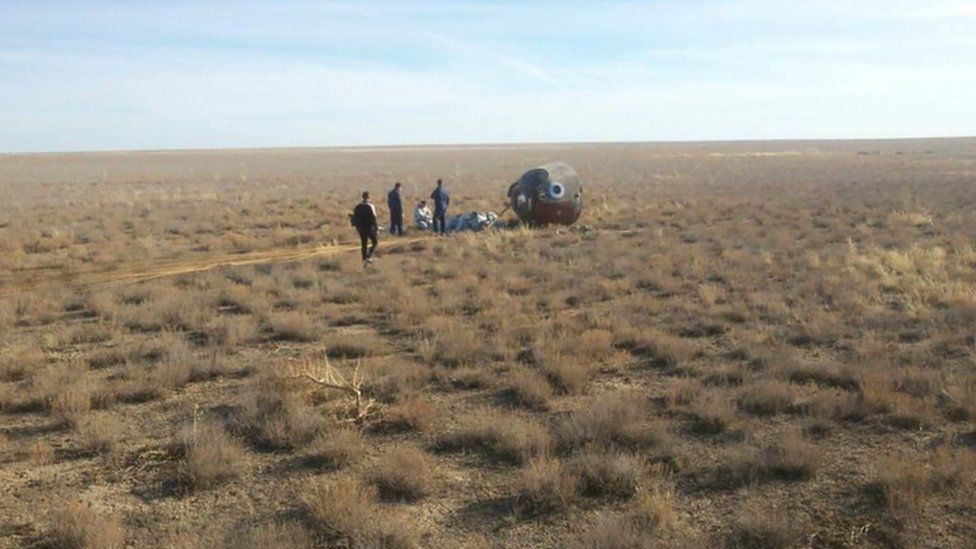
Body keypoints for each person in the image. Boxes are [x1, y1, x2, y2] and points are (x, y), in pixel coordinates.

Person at [350, 191, 378, 265]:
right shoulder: (371, 206)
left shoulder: (357, 206)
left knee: (363, 244)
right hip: (369, 228)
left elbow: (354, 218)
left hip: (361, 228)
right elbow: (374, 218)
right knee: (375, 242)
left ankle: (364, 261)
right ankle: (369, 256)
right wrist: (376, 228)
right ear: (369, 197)